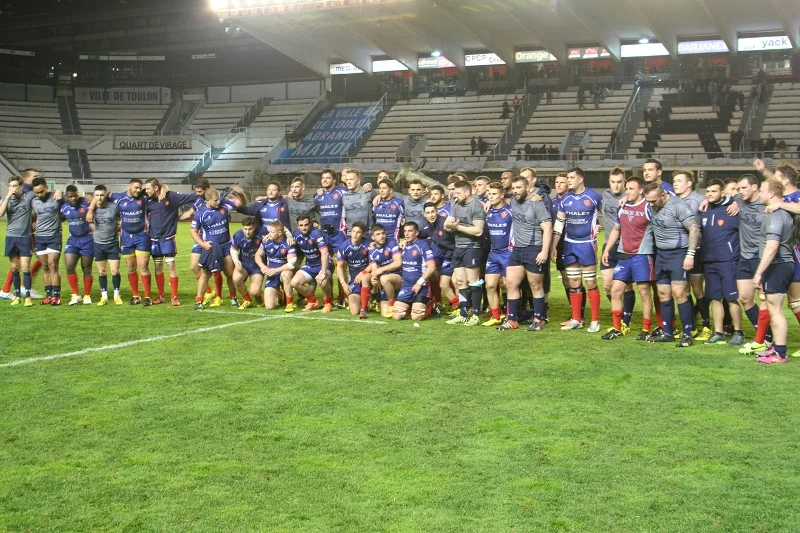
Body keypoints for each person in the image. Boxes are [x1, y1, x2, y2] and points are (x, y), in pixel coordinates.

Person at [644, 182, 700, 347]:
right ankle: (668, 332)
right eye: (649, 201)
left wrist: (690, 255)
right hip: (661, 255)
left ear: (663, 195)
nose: (651, 204)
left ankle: (688, 334)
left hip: (679, 253)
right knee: (662, 293)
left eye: (654, 201)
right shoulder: (652, 206)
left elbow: (694, 228)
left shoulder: (678, 205)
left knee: (679, 293)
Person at [601, 176, 655, 340]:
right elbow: (616, 230)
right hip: (624, 255)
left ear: (641, 190)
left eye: (631, 188)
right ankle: (618, 327)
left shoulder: (648, 207)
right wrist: (607, 250)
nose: (627, 191)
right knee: (615, 290)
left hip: (642, 255)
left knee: (644, 292)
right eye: (627, 188)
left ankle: (646, 329)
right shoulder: (623, 207)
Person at [550, 167, 604, 333]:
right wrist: (553, 246)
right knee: (574, 283)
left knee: (591, 282)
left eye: (571, 177)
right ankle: (576, 319)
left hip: (587, 244)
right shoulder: (565, 200)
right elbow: (559, 224)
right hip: (569, 244)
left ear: (580, 179)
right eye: (568, 177)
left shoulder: (594, 196)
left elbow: (607, 215)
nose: (568, 180)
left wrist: (600, 226)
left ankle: (595, 321)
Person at [497, 176, 552, 331]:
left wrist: (544, 252)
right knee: (510, 284)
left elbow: (547, 228)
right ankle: (512, 320)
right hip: (517, 249)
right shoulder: (513, 201)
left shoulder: (537, 204)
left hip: (534, 248)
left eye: (519, 188)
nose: (515, 191)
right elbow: (498, 197)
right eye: (513, 188)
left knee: (535, 285)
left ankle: (538, 319)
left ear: (528, 188)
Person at [752, 179, 794, 363]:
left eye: (761, 190)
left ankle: (781, 354)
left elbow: (772, 247)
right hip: (781, 264)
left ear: (771, 194)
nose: (759, 194)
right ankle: (776, 349)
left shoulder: (776, 216)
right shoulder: (782, 213)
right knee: (772, 307)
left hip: (778, 265)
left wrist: (759, 272)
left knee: (775, 310)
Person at [90, 178, 151, 305]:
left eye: (140, 188)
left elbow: (159, 188)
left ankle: (147, 297)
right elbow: (98, 197)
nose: (138, 190)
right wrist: (90, 209)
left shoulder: (144, 196)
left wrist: (164, 190)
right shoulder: (118, 198)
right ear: (129, 186)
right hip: (126, 237)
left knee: (143, 266)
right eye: (136, 188)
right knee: (130, 268)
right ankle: (136, 296)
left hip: (142, 236)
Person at [699, 178, 743, 345]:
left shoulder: (733, 208)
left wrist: (736, 201)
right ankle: (719, 332)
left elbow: (748, 198)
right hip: (709, 260)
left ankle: (738, 331)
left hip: (728, 260)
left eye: (714, 191)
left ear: (722, 193)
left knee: (731, 297)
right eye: (708, 192)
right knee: (715, 298)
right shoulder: (705, 209)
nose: (710, 194)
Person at [144, 178, 198, 306]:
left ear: (155, 188)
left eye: (148, 188)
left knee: (171, 266)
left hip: (168, 238)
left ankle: (174, 297)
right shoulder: (148, 200)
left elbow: (192, 197)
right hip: (154, 239)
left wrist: (193, 210)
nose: (146, 191)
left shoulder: (172, 197)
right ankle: (161, 296)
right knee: (158, 267)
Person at [731, 175, 769, 354]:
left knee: (767, 301)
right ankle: (765, 336)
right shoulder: (739, 199)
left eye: (744, 188)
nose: (741, 192)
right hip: (744, 257)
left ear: (755, 187)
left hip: (761, 257)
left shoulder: (767, 204)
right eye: (739, 189)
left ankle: (768, 339)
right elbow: (726, 196)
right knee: (745, 297)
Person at [190, 188, 244, 310]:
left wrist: (240, 194)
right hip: (211, 248)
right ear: (207, 200)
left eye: (219, 199)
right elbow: (193, 231)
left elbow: (239, 205)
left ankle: (233, 297)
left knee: (230, 273)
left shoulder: (224, 206)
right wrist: (203, 245)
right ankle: (199, 300)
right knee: (206, 274)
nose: (218, 202)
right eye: (215, 200)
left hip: (226, 246)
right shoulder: (201, 213)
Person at [673, 170, 711, 340]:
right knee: (683, 289)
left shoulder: (699, 200)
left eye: (679, 180)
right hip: (679, 251)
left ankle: (707, 326)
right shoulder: (672, 200)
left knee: (697, 288)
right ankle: (691, 327)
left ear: (689, 183)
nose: (675, 183)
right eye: (674, 180)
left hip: (696, 250)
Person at [445, 180, 486, 325]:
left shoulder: (476, 206)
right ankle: (463, 312)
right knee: (460, 281)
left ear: (467, 192)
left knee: (473, 281)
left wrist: (458, 227)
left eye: (458, 192)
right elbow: (446, 225)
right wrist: (454, 226)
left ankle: (475, 314)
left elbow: (478, 230)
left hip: (472, 247)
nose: (455, 195)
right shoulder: (456, 204)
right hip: (459, 247)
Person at [600, 168, 632, 326]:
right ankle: (618, 308)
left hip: (626, 246)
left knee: (626, 285)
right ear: (609, 182)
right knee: (607, 284)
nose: (616, 185)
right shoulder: (604, 196)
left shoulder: (631, 197)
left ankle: (626, 318)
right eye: (613, 182)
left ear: (624, 182)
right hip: (608, 244)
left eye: (619, 182)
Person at [0, 175, 35, 306]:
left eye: (15, 186)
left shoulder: (28, 196)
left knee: (25, 268)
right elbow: (0, 213)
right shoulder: (7, 199)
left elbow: (43, 194)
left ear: (21, 186)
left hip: (25, 238)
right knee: (14, 268)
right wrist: (8, 196)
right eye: (10, 186)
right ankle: (17, 296)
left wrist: (58, 192)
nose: (12, 188)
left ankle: (28, 297)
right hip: (11, 237)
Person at [392, 221, 436, 322]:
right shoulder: (403, 245)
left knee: (416, 317)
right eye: (405, 231)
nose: (407, 234)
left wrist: (419, 283)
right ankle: (411, 306)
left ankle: (430, 304)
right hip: (406, 286)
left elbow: (432, 267)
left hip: (421, 286)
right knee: (396, 316)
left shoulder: (422, 245)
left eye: (410, 231)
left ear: (416, 233)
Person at [482, 182, 513, 327]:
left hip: (508, 252)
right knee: (490, 285)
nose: (490, 196)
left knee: (507, 285)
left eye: (494, 194)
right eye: (489, 194)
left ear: (502, 195)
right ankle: (496, 316)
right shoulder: (487, 210)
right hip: (493, 253)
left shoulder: (511, 210)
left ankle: (510, 315)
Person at [31, 177, 64, 305]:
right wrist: (34, 222)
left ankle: (56, 296)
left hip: (54, 236)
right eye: (37, 192)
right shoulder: (34, 201)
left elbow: (72, 202)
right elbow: (34, 214)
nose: (40, 194)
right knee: (45, 267)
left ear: (46, 187)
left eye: (41, 191)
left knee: (53, 265)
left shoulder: (57, 197)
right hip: (40, 237)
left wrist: (59, 189)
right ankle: (48, 296)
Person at [290, 214, 333, 313]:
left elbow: (325, 253)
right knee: (294, 282)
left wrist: (323, 272)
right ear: (298, 226)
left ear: (310, 224)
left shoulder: (316, 233)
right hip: (310, 265)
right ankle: (312, 301)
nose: (304, 227)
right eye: (301, 225)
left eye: (306, 225)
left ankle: (328, 303)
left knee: (323, 282)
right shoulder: (296, 234)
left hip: (324, 264)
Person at [60, 185, 94, 306]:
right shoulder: (63, 207)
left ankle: (87, 296)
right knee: (69, 266)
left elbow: (96, 200)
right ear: (66, 196)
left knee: (86, 268)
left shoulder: (86, 202)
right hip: (73, 240)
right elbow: (58, 218)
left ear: (78, 194)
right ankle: (75, 295)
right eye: (71, 196)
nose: (74, 198)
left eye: (75, 195)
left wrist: (91, 198)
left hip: (87, 240)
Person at [90, 185, 123, 306]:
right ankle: (104, 296)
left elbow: (120, 217)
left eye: (102, 195)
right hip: (98, 244)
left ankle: (116, 295)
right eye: (97, 195)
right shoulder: (92, 208)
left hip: (112, 243)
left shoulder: (114, 206)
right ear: (94, 196)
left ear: (106, 195)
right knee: (102, 271)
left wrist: (119, 225)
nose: (99, 198)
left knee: (115, 271)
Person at [254, 220, 296, 311]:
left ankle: (289, 303)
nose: (269, 234)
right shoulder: (267, 241)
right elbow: (257, 255)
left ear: (280, 233)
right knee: (269, 306)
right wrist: (262, 266)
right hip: (272, 274)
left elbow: (291, 264)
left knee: (286, 275)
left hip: (282, 271)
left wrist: (276, 270)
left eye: (272, 232)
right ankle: (280, 294)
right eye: (269, 231)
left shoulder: (288, 243)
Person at [335, 222, 372, 318]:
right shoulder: (344, 246)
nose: (355, 234)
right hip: (355, 281)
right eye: (353, 231)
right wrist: (343, 284)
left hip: (369, 277)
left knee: (365, 278)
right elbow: (339, 266)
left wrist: (363, 273)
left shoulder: (368, 245)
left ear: (363, 234)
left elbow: (373, 264)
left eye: (358, 232)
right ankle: (365, 300)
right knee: (354, 311)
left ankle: (371, 299)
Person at [369, 223, 402, 318]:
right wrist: (373, 278)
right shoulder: (372, 251)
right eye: (378, 234)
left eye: (383, 233)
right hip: (385, 284)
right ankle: (378, 300)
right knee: (384, 314)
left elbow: (398, 262)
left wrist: (381, 270)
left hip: (398, 277)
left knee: (384, 278)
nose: (382, 236)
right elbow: (374, 269)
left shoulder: (392, 242)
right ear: (373, 237)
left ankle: (392, 304)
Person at [230, 216, 263, 310]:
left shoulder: (263, 233)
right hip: (244, 264)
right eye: (245, 229)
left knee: (255, 291)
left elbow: (277, 228)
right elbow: (234, 249)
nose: (247, 232)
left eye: (250, 229)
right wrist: (236, 261)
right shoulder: (238, 236)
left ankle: (258, 297)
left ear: (255, 227)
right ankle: (247, 300)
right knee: (236, 279)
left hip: (257, 266)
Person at [373, 177, 405, 243]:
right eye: (380, 188)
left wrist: (402, 240)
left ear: (390, 190)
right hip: (379, 240)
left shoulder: (399, 203)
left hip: (393, 240)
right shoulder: (376, 202)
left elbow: (403, 224)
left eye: (384, 188)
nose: (381, 190)